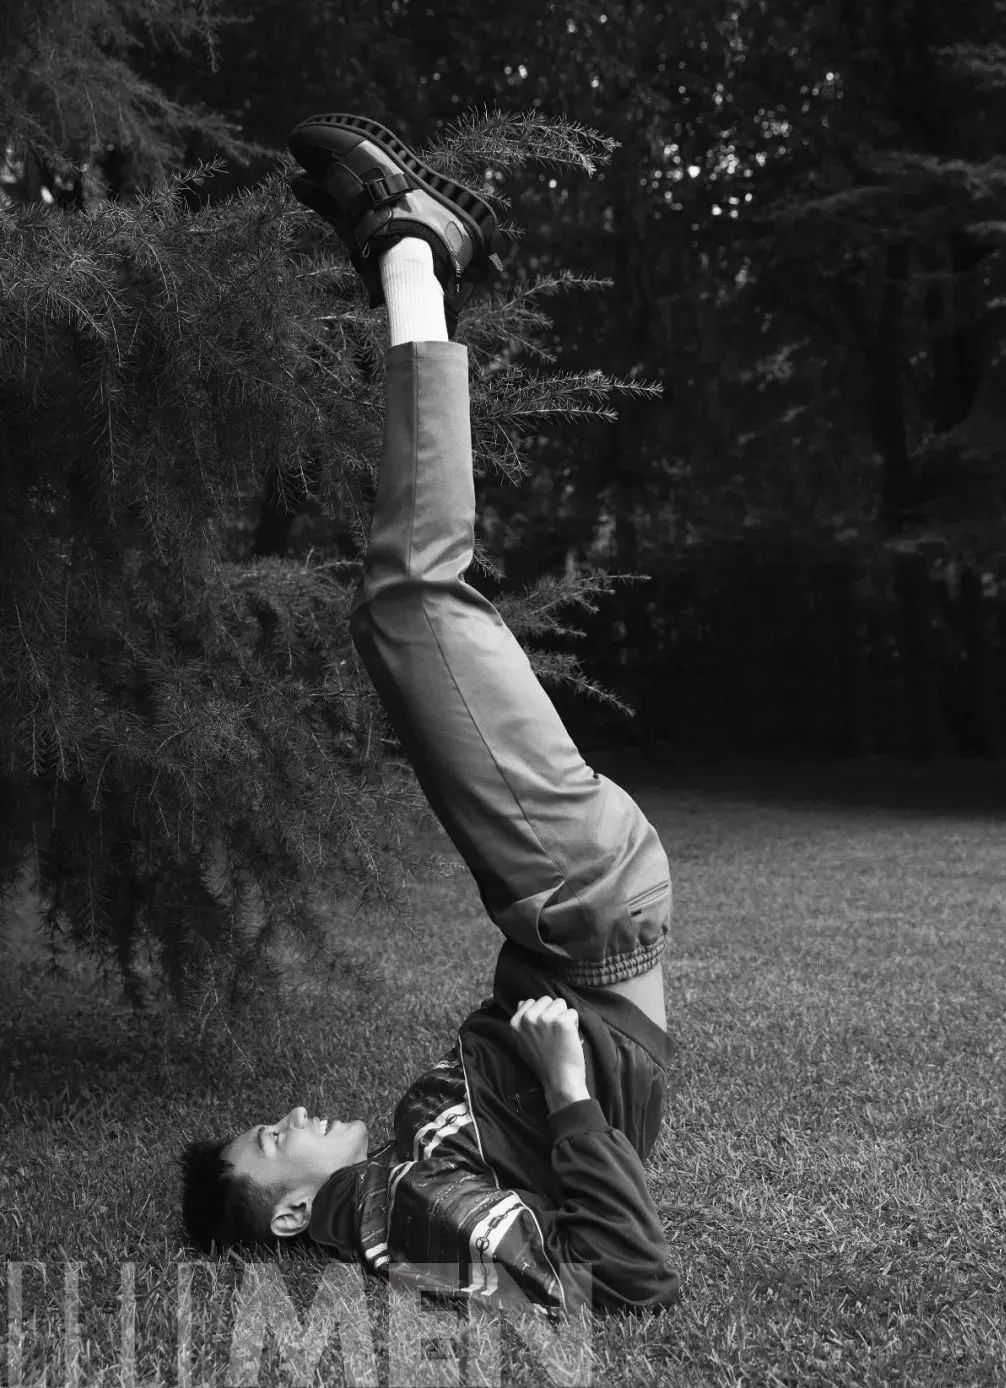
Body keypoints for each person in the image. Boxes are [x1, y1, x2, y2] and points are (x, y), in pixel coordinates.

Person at [180, 113, 678, 1315]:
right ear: (287, 1209)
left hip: (566, 929)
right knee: (408, 599)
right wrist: (566, 1084)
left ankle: (410, 257)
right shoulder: (401, 1203)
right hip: (581, 919)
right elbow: (623, 1279)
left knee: (396, 612)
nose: (293, 1110)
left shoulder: (402, 1191)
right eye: (271, 1137)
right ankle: (411, 246)